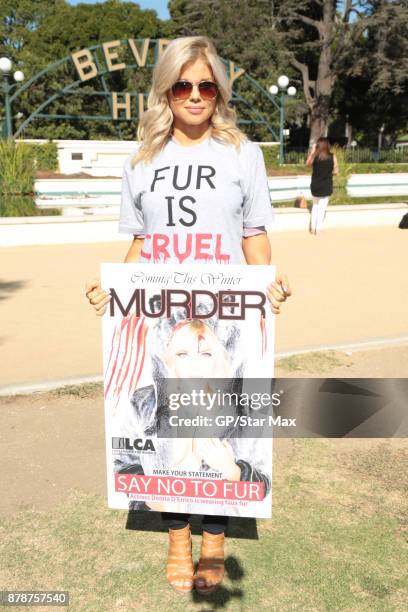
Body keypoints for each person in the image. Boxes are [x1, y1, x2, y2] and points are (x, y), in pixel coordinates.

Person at [85, 35, 292, 596]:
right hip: (163, 316)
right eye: (183, 84)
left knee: (218, 419)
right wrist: (114, 287)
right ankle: (178, 536)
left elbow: (254, 234)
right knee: (174, 424)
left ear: (218, 91)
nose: (195, 95)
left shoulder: (243, 154)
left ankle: (215, 541)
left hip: (224, 312)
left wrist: (267, 285)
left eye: (206, 84)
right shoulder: (142, 160)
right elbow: (141, 243)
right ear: (166, 92)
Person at [306, 137, 339, 235]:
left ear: (318, 146)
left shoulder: (315, 157)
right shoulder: (332, 156)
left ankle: (312, 228)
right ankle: (318, 229)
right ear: (327, 146)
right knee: (322, 208)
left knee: (315, 206)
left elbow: (307, 164)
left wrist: (312, 151)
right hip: (326, 185)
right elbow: (336, 171)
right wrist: (329, 173)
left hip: (315, 185)